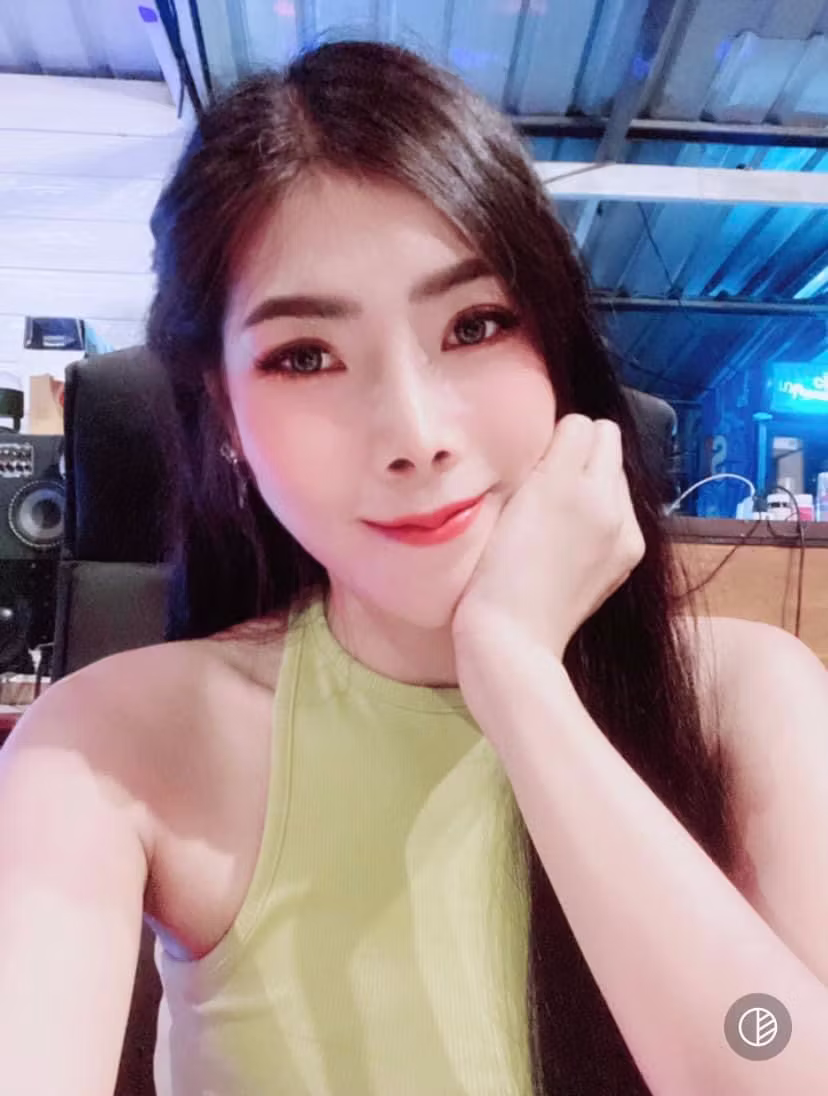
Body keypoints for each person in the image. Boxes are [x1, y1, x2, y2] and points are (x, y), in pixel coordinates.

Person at [3, 38, 828, 1096]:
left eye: (476, 325)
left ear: (557, 349)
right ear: (226, 417)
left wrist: (519, 679)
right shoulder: (114, 743)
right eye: (306, 355)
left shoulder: (746, 697)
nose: (414, 433)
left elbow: (778, 1058)